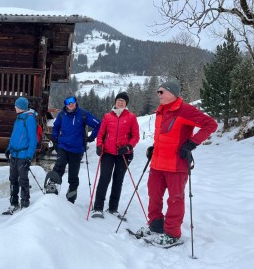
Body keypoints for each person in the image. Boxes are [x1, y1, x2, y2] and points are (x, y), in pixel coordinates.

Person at [136, 80, 217, 246]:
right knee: (154, 197)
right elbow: (165, 136)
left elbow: (211, 124)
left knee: (175, 200)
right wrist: (154, 147)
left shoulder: (185, 110)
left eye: (161, 92)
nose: (158, 95)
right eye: (158, 92)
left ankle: (172, 234)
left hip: (176, 165)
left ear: (172, 93)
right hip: (157, 164)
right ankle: (155, 226)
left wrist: (192, 143)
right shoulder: (160, 111)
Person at [92, 92, 140, 218]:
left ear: (126, 103)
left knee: (118, 181)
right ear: (115, 102)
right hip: (108, 153)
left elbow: (136, 136)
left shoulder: (131, 117)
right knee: (104, 179)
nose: (120, 102)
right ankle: (98, 208)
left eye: (123, 101)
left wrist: (128, 147)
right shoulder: (108, 116)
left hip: (123, 154)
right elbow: (101, 134)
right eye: (118, 100)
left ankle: (113, 208)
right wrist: (99, 145)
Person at [51, 94, 101, 204]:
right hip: (63, 146)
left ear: (75, 101)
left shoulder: (83, 114)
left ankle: (71, 196)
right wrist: (54, 140)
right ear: (65, 104)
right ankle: (52, 188)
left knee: (73, 174)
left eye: (72, 101)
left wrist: (92, 137)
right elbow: (56, 127)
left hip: (77, 149)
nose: (70, 104)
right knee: (59, 165)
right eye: (68, 102)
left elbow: (99, 124)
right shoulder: (62, 114)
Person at [3, 97, 38, 214]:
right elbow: (14, 137)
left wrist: (29, 156)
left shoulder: (29, 118)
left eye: (16, 105)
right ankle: (13, 203)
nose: (14, 107)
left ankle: (25, 204)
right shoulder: (19, 118)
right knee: (13, 179)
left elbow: (33, 139)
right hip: (14, 154)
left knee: (23, 179)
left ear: (21, 107)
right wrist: (9, 149)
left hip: (23, 155)